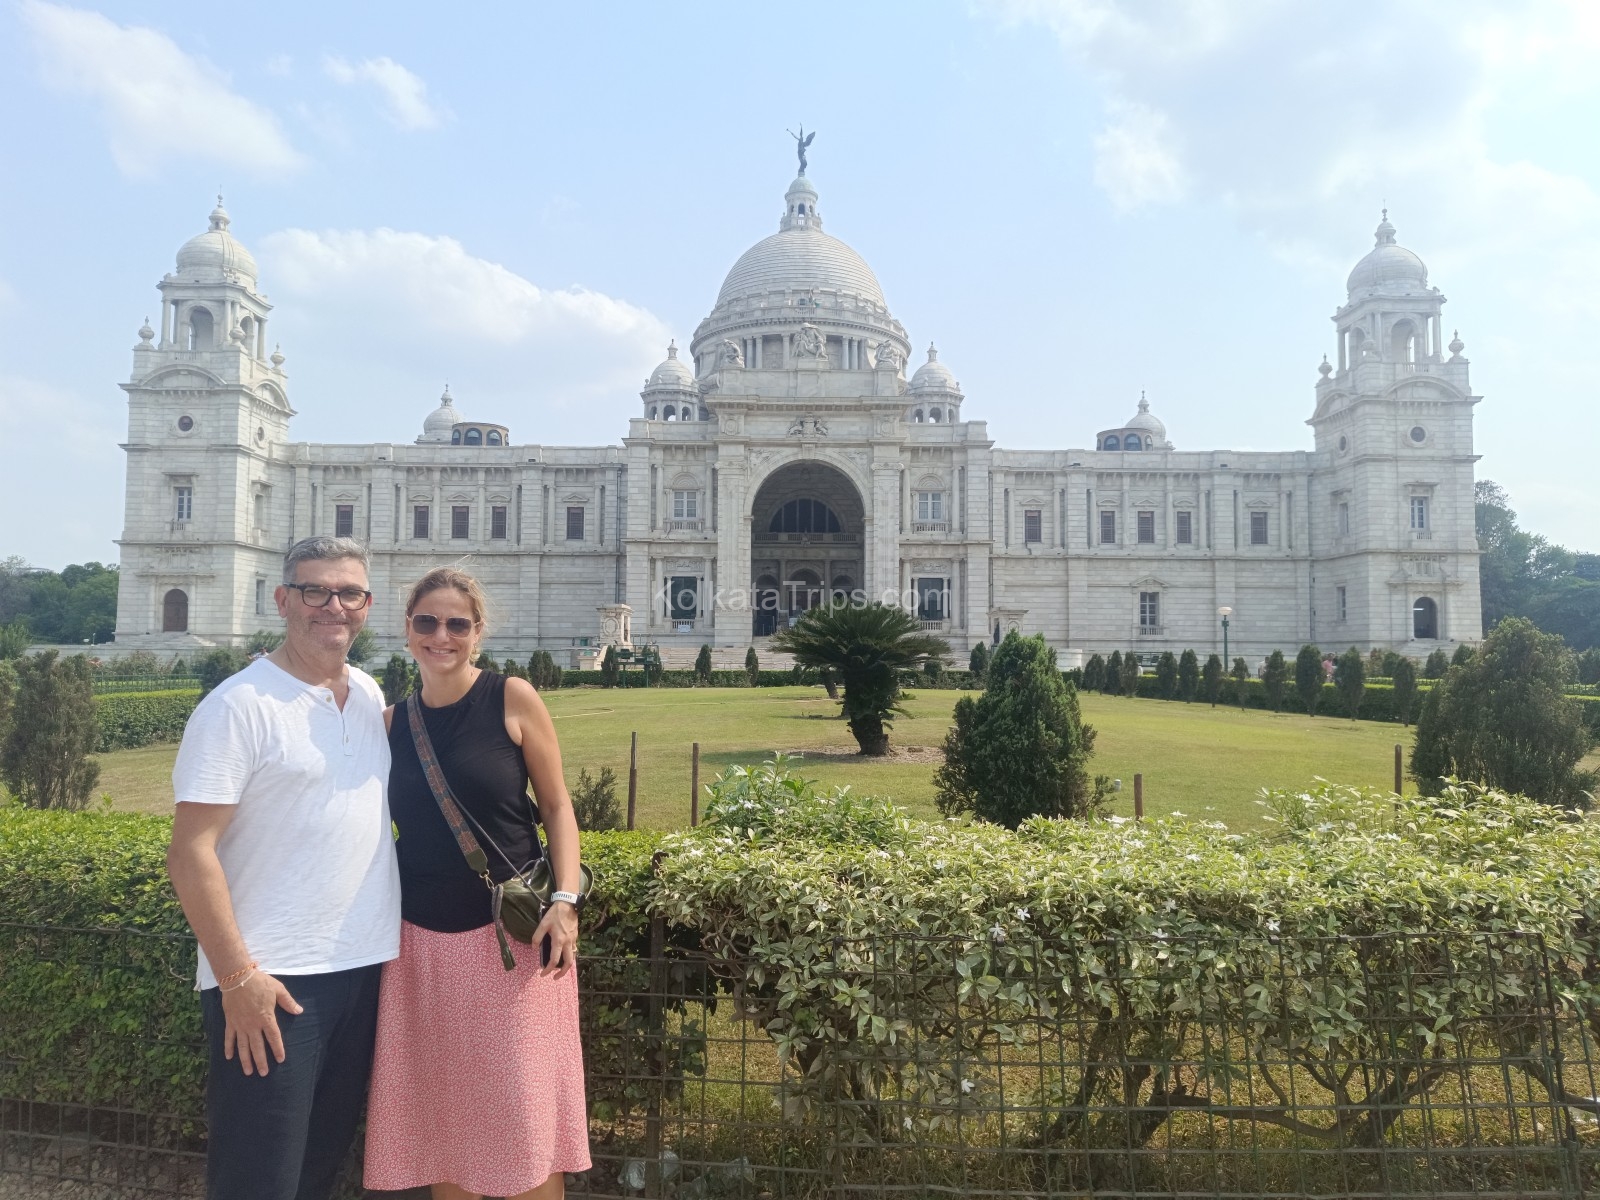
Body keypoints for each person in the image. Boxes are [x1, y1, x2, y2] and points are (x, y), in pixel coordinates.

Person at [166, 536, 399, 1200]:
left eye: (349, 593)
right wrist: (238, 977)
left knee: (317, 1172)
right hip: (273, 982)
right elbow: (189, 853)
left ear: (367, 604)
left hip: (361, 969)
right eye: (315, 591)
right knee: (259, 1180)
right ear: (282, 600)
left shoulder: (365, 693)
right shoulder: (238, 706)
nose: (333, 606)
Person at [364, 567, 591, 1200]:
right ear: (407, 629)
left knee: (525, 1120)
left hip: (512, 943)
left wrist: (566, 900)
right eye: (427, 622)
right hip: (420, 947)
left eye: (456, 624)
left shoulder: (511, 697)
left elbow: (558, 807)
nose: (441, 636)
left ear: (478, 632)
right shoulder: (389, 724)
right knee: (442, 1119)